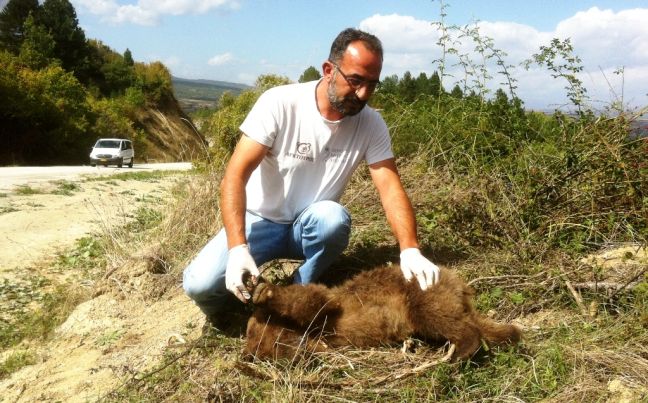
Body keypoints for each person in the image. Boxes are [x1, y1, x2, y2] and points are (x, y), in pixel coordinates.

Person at [183, 28, 440, 332]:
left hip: (308, 226)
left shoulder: (371, 123)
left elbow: (390, 187)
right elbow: (234, 176)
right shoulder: (280, 103)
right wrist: (238, 247)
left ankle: (297, 292)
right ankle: (226, 315)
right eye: (355, 81)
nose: (363, 95)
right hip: (259, 221)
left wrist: (410, 249)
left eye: (372, 84)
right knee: (199, 284)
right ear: (329, 70)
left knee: (333, 218)